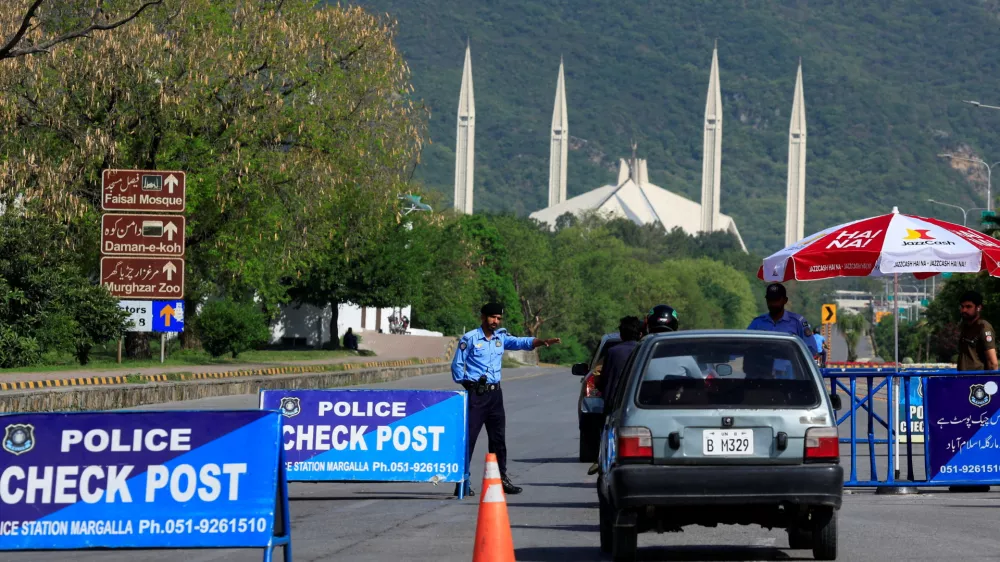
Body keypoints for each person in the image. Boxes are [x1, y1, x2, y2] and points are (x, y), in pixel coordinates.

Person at [451, 302, 561, 497]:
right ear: (483, 317)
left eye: (499, 318)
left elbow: (521, 342)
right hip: (477, 395)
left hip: (495, 395)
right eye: (493, 317)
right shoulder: (470, 338)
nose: (496, 321)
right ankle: (462, 481)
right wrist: (469, 384)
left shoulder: (500, 338)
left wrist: (541, 341)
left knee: (498, 440)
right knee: (469, 439)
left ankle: (501, 479)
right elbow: (457, 366)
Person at [748, 283, 821, 357]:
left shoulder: (798, 322)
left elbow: (811, 349)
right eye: (770, 300)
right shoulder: (757, 323)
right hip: (761, 367)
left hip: (789, 367)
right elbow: (744, 345)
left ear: (785, 300)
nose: (773, 303)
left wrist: (789, 353)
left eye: (776, 300)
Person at [956, 290, 998, 372]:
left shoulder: (983, 327)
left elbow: (993, 363)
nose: (964, 310)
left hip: (977, 381)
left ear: (978, 308)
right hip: (963, 379)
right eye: (962, 306)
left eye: (968, 307)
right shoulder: (965, 327)